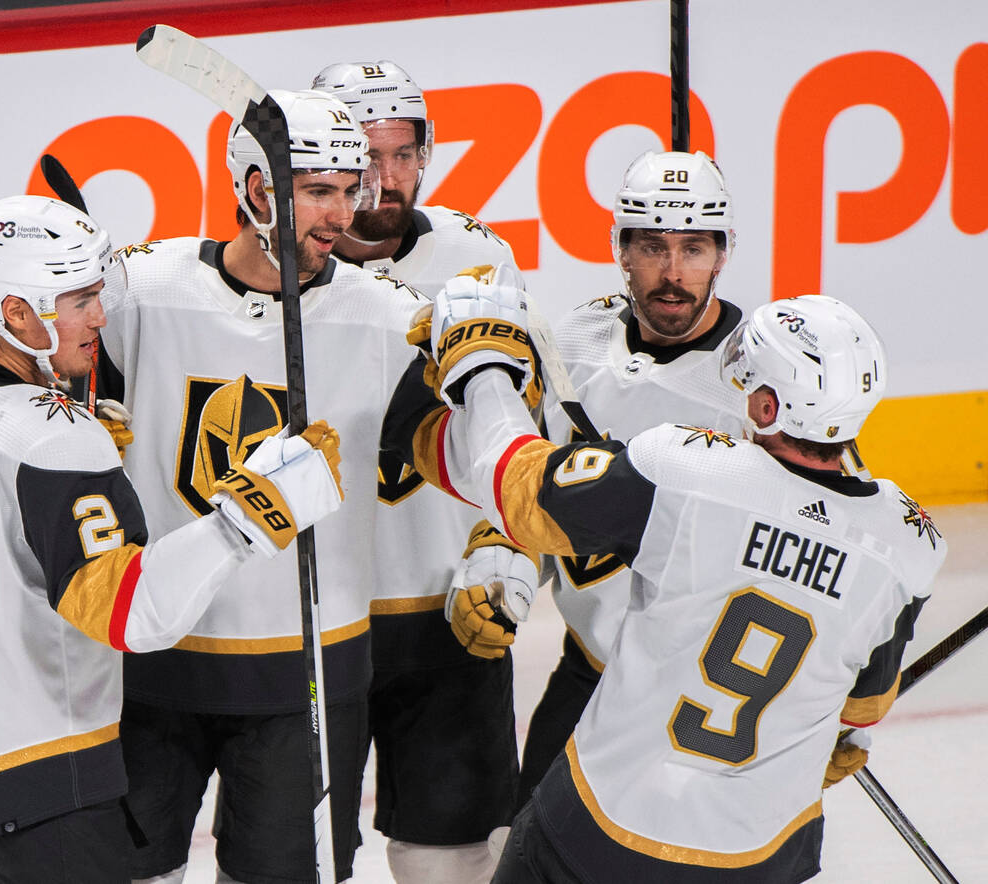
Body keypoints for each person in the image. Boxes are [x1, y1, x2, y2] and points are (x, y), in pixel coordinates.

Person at [0, 194, 343, 883]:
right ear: (16, 311)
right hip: (35, 781)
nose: (100, 317)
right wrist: (249, 515)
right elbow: (132, 613)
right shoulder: (54, 441)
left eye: (99, 294)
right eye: (80, 301)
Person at [386, 276, 947, 882]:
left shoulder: (685, 472)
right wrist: (836, 734)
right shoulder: (909, 546)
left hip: (604, 828)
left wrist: (483, 369)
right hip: (766, 853)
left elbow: (518, 490)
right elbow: (862, 709)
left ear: (768, 407)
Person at [95, 90, 424, 883]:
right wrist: (78, 425)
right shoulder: (141, 292)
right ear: (255, 190)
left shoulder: (389, 318)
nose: (342, 213)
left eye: (350, 189)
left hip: (309, 676)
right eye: (318, 191)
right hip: (153, 664)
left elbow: (453, 449)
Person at [310, 60, 530, 883]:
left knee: (455, 856)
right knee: (293, 858)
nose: (387, 175)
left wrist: (504, 547)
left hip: (443, 606)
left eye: (403, 154)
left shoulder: (477, 257)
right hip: (314, 613)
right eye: (368, 155)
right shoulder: (278, 267)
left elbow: (513, 423)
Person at [511, 149, 749, 808]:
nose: (673, 273)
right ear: (620, 248)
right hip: (589, 674)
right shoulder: (576, 340)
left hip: (701, 697)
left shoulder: (762, 375)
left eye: (694, 249)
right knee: (521, 847)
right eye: (652, 247)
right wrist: (504, 563)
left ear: (723, 252)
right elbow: (532, 483)